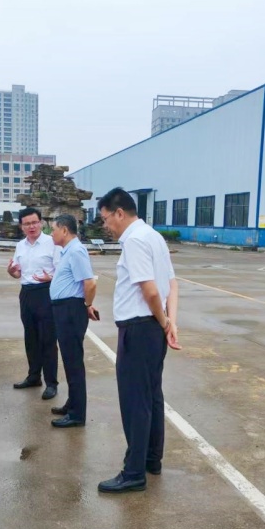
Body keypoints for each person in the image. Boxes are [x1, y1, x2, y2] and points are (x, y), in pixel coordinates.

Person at [95, 188, 181, 494]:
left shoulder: (134, 240)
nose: (105, 225)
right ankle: (151, 459)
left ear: (119, 213)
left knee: (135, 402)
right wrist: (170, 322)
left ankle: (133, 473)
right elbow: (172, 284)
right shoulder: (154, 237)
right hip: (152, 329)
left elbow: (151, 291)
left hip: (139, 328)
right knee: (152, 396)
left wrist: (164, 321)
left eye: (106, 218)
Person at [47, 214, 99, 428]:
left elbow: (90, 283)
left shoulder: (76, 251)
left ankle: (77, 414)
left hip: (70, 310)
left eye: (53, 229)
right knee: (69, 361)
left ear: (64, 230)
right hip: (64, 309)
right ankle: (73, 403)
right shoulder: (68, 251)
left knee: (73, 362)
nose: (51, 233)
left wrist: (87, 305)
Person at [7, 207, 59, 400]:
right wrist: (12, 272)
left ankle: (51, 383)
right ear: (21, 226)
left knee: (48, 340)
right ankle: (34, 376)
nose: (31, 227)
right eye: (27, 224)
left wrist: (51, 278)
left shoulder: (52, 243)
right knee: (31, 338)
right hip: (26, 294)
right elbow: (19, 273)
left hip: (46, 293)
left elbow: (61, 270)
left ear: (41, 223)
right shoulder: (20, 246)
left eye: (34, 222)